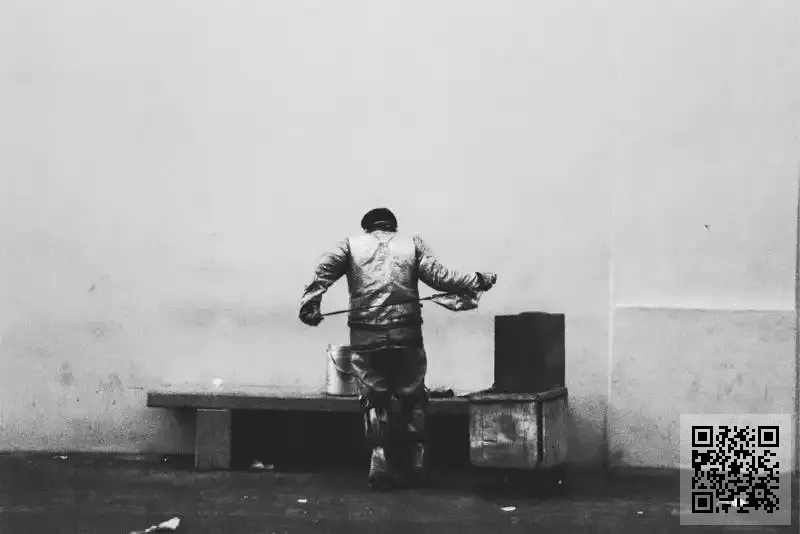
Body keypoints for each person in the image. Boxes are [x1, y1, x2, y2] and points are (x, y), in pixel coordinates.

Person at [298, 207, 497, 490]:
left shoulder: (350, 245)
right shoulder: (412, 245)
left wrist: (311, 305)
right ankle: (415, 464)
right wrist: (479, 279)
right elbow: (442, 278)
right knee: (412, 397)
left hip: (366, 337)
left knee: (374, 399)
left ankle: (379, 462)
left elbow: (323, 272)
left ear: (367, 227)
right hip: (407, 335)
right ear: (393, 226)